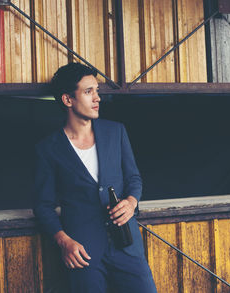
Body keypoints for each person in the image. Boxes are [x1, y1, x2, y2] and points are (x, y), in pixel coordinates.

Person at [34, 62, 157, 293]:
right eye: (88, 91)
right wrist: (64, 241)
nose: (97, 98)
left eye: (97, 91)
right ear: (68, 100)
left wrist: (131, 202)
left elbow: (134, 178)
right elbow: (43, 206)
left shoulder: (116, 132)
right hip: (83, 252)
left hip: (127, 246)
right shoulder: (48, 149)